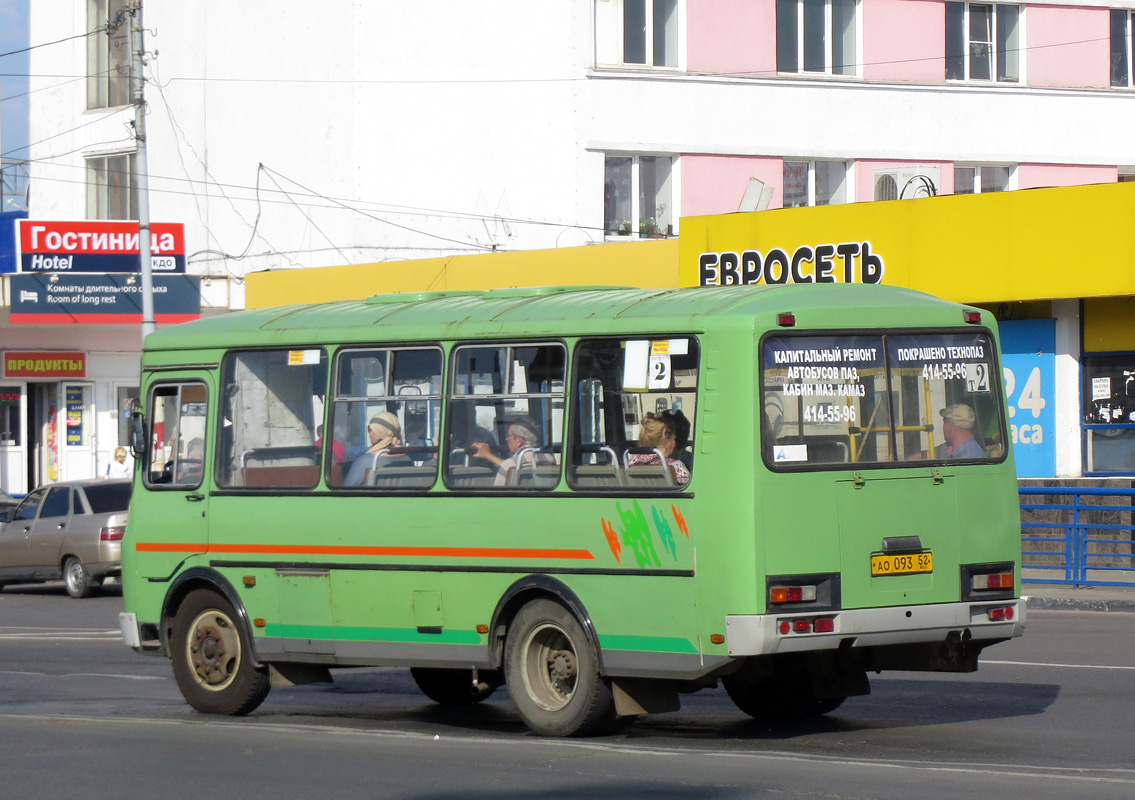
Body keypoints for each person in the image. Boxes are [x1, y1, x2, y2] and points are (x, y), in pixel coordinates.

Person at [468, 416, 551, 486]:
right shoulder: (549, 459)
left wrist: (487, 455)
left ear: (518, 441)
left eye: (509, 435)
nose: (506, 438)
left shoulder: (510, 466)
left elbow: (498, 494)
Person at [343, 412, 411, 485]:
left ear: (379, 433)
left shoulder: (366, 461)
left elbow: (346, 490)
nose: (369, 434)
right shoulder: (408, 458)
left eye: (369, 429)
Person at [626, 412, 691, 485]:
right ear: (667, 438)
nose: (675, 443)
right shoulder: (675, 466)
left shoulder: (631, 462)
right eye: (674, 439)